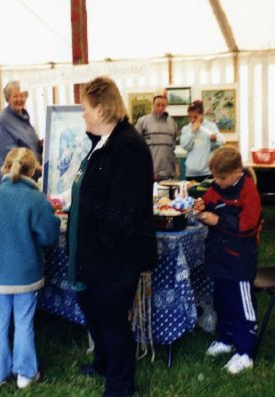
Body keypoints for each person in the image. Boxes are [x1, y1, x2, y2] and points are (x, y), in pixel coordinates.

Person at [69, 76, 156, 397]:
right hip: (98, 255)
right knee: (96, 312)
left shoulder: (127, 146)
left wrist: (102, 248)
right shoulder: (103, 143)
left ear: (102, 108)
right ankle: (103, 363)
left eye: (85, 109)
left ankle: (120, 386)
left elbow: (124, 212)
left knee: (113, 320)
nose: (83, 115)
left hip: (115, 257)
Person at [0, 147, 59, 389]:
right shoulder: (37, 199)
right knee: (24, 322)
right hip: (26, 271)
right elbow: (49, 237)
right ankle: (25, 375)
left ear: (4, 167)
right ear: (33, 171)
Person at [193, 146, 262, 375]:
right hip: (220, 258)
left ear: (237, 172)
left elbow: (247, 225)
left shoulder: (248, 192)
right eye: (214, 177)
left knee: (242, 307)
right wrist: (202, 206)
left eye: (221, 178)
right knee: (222, 301)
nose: (217, 182)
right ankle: (226, 339)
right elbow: (209, 199)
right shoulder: (218, 185)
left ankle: (246, 353)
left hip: (240, 262)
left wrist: (217, 220)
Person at [0, 81, 41, 185]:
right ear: (8, 98)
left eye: (22, 95)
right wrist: (36, 165)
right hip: (11, 179)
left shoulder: (24, 117)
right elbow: (11, 152)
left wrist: (41, 144)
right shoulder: (2, 120)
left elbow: (30, 144)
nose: (20, 99)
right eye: (15, 96)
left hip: (27, 175)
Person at [135, 90, 178, 180]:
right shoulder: (143, 122)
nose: (160, 108)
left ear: (166, 106)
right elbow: (136, 147)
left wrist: (176, 166)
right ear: (153, 104)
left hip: (168, 172)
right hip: (149, 171)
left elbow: (172, 147)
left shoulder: (172, 122)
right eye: (158, 105)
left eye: (163, 105)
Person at [180, 100, 225, 182]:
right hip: (191, 172)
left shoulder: (211, 126)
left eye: (195, 117)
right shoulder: (186, 129)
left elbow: (221, 142)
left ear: (202, 114)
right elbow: (185, 146)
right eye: (190, 117)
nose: (192, 120)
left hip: (207, 171)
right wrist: (192, 133)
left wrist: (214, 140)